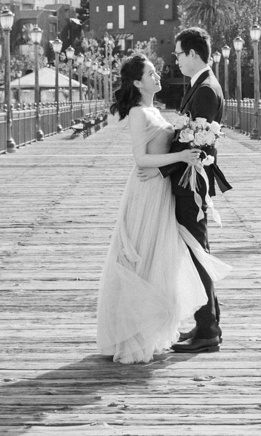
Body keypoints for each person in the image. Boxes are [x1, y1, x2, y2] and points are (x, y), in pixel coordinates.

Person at [96, 54, 229, 364]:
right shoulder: (139, 113)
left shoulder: (154, 110)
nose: (157, 76)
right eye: (151, 73)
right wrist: (180, 159)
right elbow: (140, 159)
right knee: (142, 255)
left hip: (162, 190)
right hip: (146, 191)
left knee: (158, 257)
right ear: (137, 82)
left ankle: (153, 326)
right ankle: (132, 332)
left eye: (156, 72)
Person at [163, 26, 231, 354]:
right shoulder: (201, 84)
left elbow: (192, 140)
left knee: (197, 253)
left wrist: (160, 164)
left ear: (192, 54)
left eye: (178, 54)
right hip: (192, 179)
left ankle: (208, 330)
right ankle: (207, 323)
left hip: (192, 182)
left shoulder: (205, 89)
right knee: (197, 251)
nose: (175, 60)